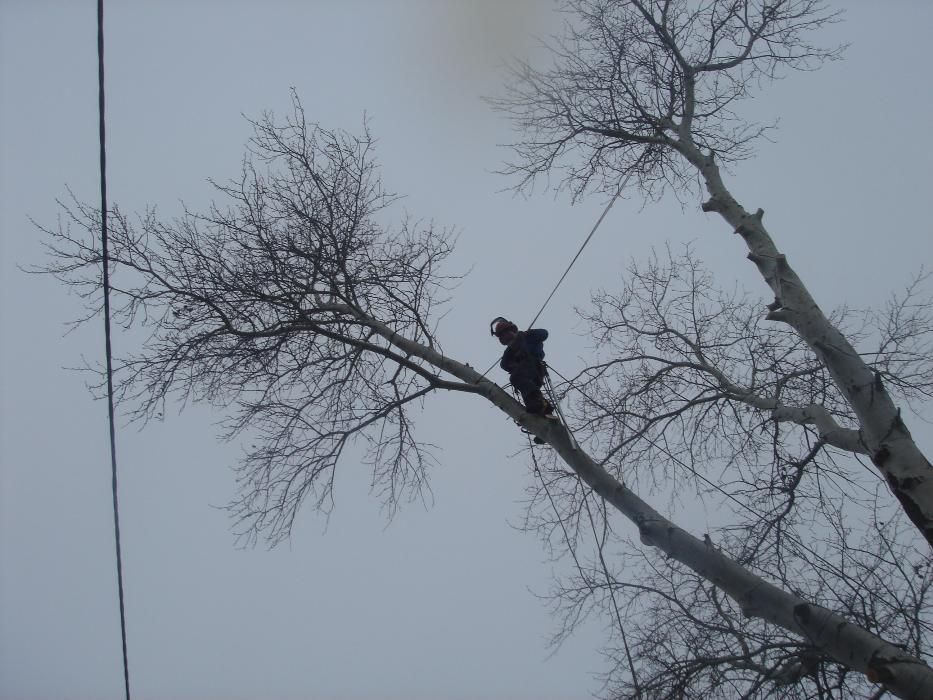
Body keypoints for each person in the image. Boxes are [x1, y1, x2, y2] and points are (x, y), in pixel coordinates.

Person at [490, 317, 554, 417]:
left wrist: (529, 333)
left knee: (516, 378)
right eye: (502, 336)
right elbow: (504, 364)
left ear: (512, 330)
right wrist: (515, 364)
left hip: (534, 366)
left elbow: (544, 333)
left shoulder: (526, 337)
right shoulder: (509, 350)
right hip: (527, 375)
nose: (506, 337)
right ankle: (543, 409)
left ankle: (539, 403)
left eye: (506, 333)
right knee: (524, 387)